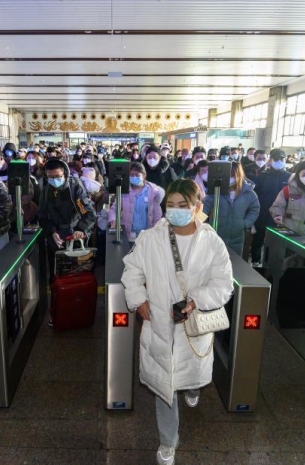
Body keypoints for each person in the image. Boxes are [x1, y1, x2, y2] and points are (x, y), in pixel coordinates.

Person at [121, 179, 233, 465]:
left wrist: (196, 299)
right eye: (170, 205)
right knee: (164, 385)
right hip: (159, 322)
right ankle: (168, 442)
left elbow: (223, 284)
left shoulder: (211, 242)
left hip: (191, 324)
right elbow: (132, 270)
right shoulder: (150, 238)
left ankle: (192, 387)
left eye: (183, 206)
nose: (175, 211)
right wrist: (139, 300)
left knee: (189, 373)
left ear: (196, 207)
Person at [37, 158, 97, 289]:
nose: (54, 180)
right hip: (55, 238)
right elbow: (42, 215)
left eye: (57, 177)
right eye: (50, 177)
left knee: (76, 276)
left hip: (74, 236)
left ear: (65, 173)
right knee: (56, 275)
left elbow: (89, 214)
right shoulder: (46, 191)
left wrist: (81, 229)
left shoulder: (75, 189)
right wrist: (52, 231)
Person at [202, 162, 260, 255]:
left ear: (238, 175)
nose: (229, 178)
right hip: (216, 236)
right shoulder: (216, 191)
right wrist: (202, 226)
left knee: (234, 265)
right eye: (227, 175)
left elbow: (255, 209)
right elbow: (204, 209)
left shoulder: (248, 193)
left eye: (232, 175)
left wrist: (245, 224)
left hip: (237, 238)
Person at [251, 149, 291, 265]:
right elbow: (255, 195)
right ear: (271, 160)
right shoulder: (263, 176)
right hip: (262, 214)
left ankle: (271, 264)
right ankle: (255, 261)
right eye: (276, 159)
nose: (279, 161)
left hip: (281, 216)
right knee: (258, 239)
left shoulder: (290, 177)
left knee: (277, 242)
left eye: (281, 159)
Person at [108, 162, 164, 243]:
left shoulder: (152, 192)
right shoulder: (124, 191)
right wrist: (113, 220)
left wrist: (156, 232)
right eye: (131, 175)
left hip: (146, 236)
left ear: (144, 176)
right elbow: (114, 208)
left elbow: (157, 215)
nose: (134, 177)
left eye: (137, 175)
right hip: (128, 235)